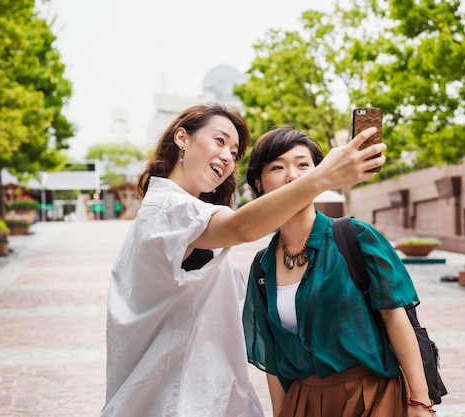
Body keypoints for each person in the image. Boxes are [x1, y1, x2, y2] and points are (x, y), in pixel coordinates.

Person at [101, 103, 386, 417]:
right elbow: (240, 227)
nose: (227, 156)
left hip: (200, 398)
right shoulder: (167, 209)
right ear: (182, 138)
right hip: (177, 401)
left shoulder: (180, 215)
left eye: (234, 153)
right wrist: (321, 178)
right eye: (220, 141)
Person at [243, 127, 435, 417]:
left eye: (303, 165)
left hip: (371, 397)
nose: (292, 176)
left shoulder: (354, 237)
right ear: (259, 182)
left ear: (321, 174)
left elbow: (396, 317)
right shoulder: (262, 266)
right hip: (304, 401)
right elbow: (274, 357)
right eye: (277, 167)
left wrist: (420, 401)